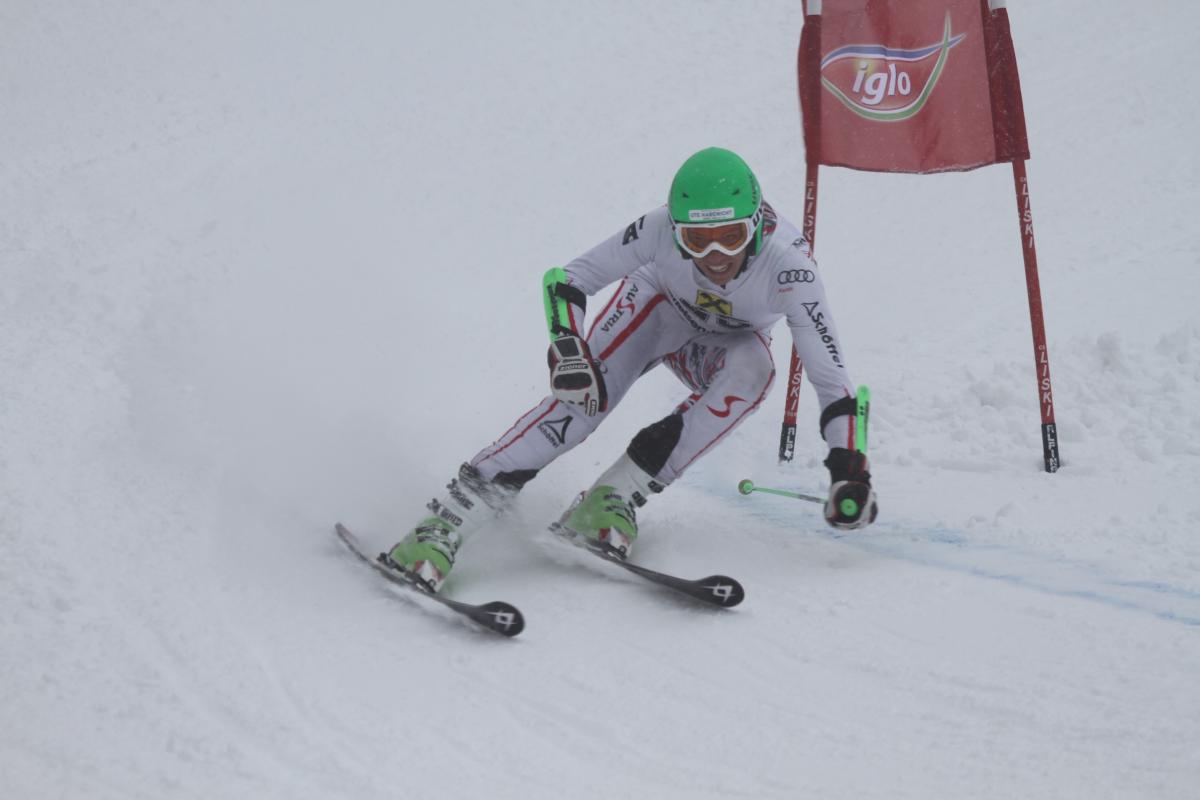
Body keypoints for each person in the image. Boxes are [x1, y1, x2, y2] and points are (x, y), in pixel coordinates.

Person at [386, 147, 878, 592]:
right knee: (581, 406)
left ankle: (610, 498)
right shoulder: (657, 227)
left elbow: (831, 380)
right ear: (676, 229)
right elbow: (570, 279)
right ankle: (444, 524)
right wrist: (569, 346)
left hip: (722, 344)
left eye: (731, 237)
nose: (716, 257)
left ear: (759, 227)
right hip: (655, 312)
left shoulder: (790, 267)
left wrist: (847, 468)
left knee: (755, 369)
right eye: (698, 239)